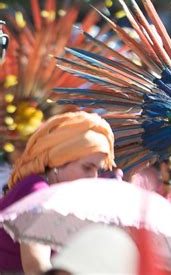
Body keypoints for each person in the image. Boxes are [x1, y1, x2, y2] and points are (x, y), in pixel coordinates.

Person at [0, 111, 115, 274]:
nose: (93, 177)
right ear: (58, 162)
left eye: (97, 169)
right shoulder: (37, 191)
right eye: (87, 168)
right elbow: (36, 266)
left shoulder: (61, 197)